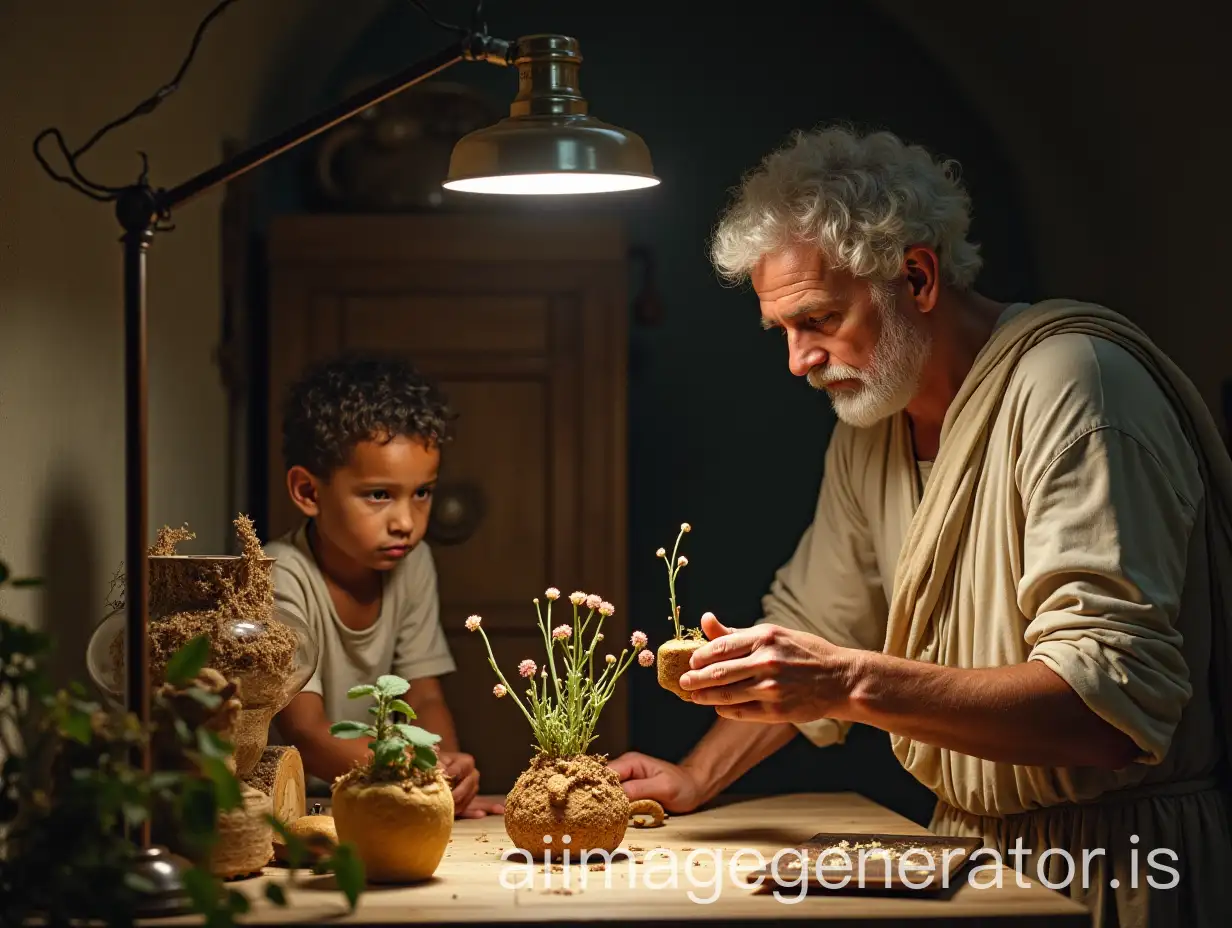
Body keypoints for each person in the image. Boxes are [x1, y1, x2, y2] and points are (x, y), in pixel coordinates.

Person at [609, 125, 1232, 926]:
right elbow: (817, 623)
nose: (799, 360)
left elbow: (1105, 707)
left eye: (820, 319)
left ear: (918, 275)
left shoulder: (1079, 387)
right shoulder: (870, 428)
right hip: (964, 857)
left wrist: (849, 682)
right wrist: (695, 778)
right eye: (784, 331)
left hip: (1123, 864)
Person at [267, 353, 503, 819]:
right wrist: (416, 774)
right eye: (379, 495)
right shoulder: (280, 575)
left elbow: (424, 695)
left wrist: (446, 777)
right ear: (308, 493)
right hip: (299, 807)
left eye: (422, 493)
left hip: (389, 793)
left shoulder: (412, 565)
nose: (406, 523)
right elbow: (308, 733)